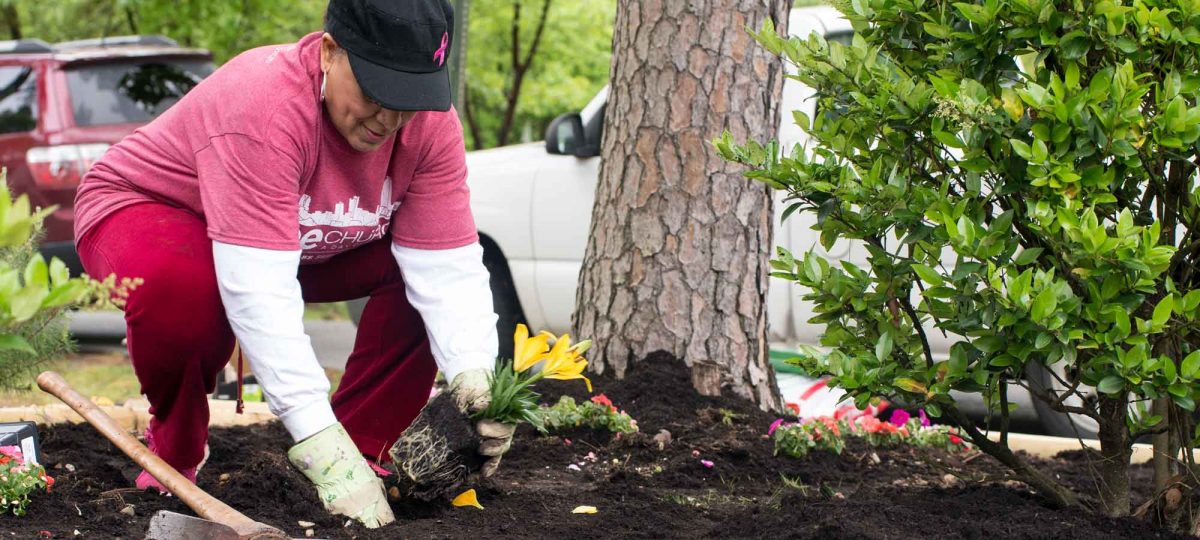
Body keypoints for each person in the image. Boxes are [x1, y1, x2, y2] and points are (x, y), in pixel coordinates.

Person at [72, 0, 513, 528]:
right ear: (329, 53)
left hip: (295, 240)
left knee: (416, 278)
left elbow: (447, 268)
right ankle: (177, 448)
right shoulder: (265, 108)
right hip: (154, 210)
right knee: (186, 298)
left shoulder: (431, 128)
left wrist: (475, 382)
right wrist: (315, 440)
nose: (389, 120)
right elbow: (259, 291)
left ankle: (363, 446)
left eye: (410, 100)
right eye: (377, 94)